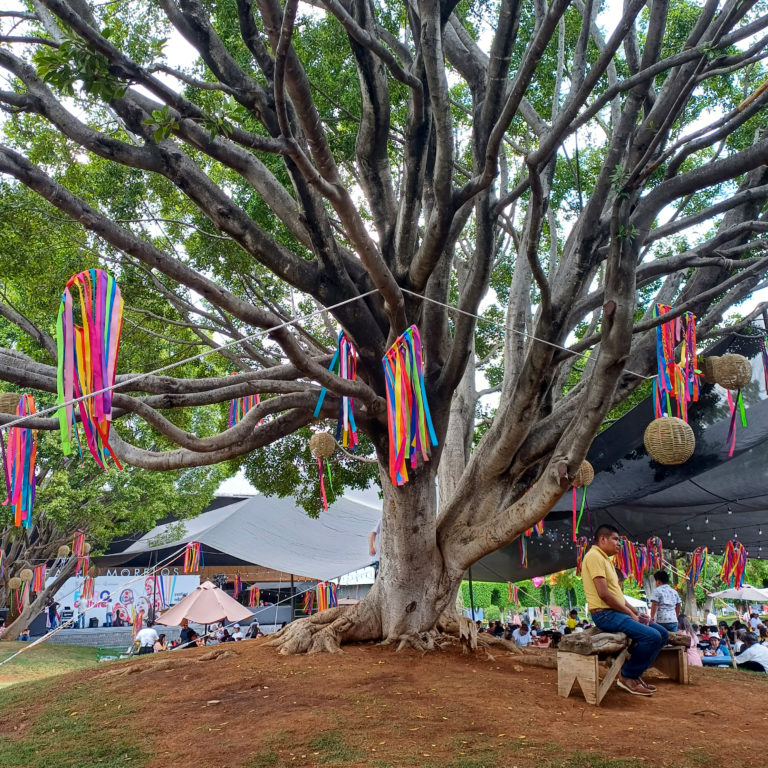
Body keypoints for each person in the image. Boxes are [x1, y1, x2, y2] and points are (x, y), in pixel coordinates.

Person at [581, 524, 668, 696]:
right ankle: (628, 676)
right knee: (652, 636)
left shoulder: (606, 559)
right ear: (602, 539)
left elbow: (617, 595)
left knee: (662, 634)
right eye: (615, 539)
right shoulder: (594, 556)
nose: (618, 543)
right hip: (604, 614)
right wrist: (629, 614)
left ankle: (634, 674)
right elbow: (604, 594)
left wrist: (635, 611)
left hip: (615, 611)